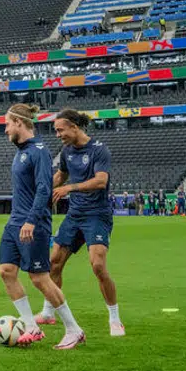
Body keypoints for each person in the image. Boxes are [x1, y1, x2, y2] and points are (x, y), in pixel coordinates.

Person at [0, 104, 85, 349]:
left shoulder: (39, 152)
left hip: (32, 224)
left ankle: (74, 329)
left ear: (19, 122)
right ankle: (31, 326)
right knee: (6, 271)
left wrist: (31, 221)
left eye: (7, 124)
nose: (5, 130)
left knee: (39, 278)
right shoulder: (21, 151)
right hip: (14, 222)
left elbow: (44, 189)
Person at [41, 111, 123, 337]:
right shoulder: (67, 152)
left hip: (96, 214)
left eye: (60, 130)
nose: (58, 135)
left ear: (74, 127)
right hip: (75, 214)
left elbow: (101, 181)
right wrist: (43, 187)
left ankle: (115, 318)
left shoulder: (99, 150)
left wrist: (70, 188)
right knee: (53, 263)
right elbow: (61, 176)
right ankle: (48, 312)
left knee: (97, 265)